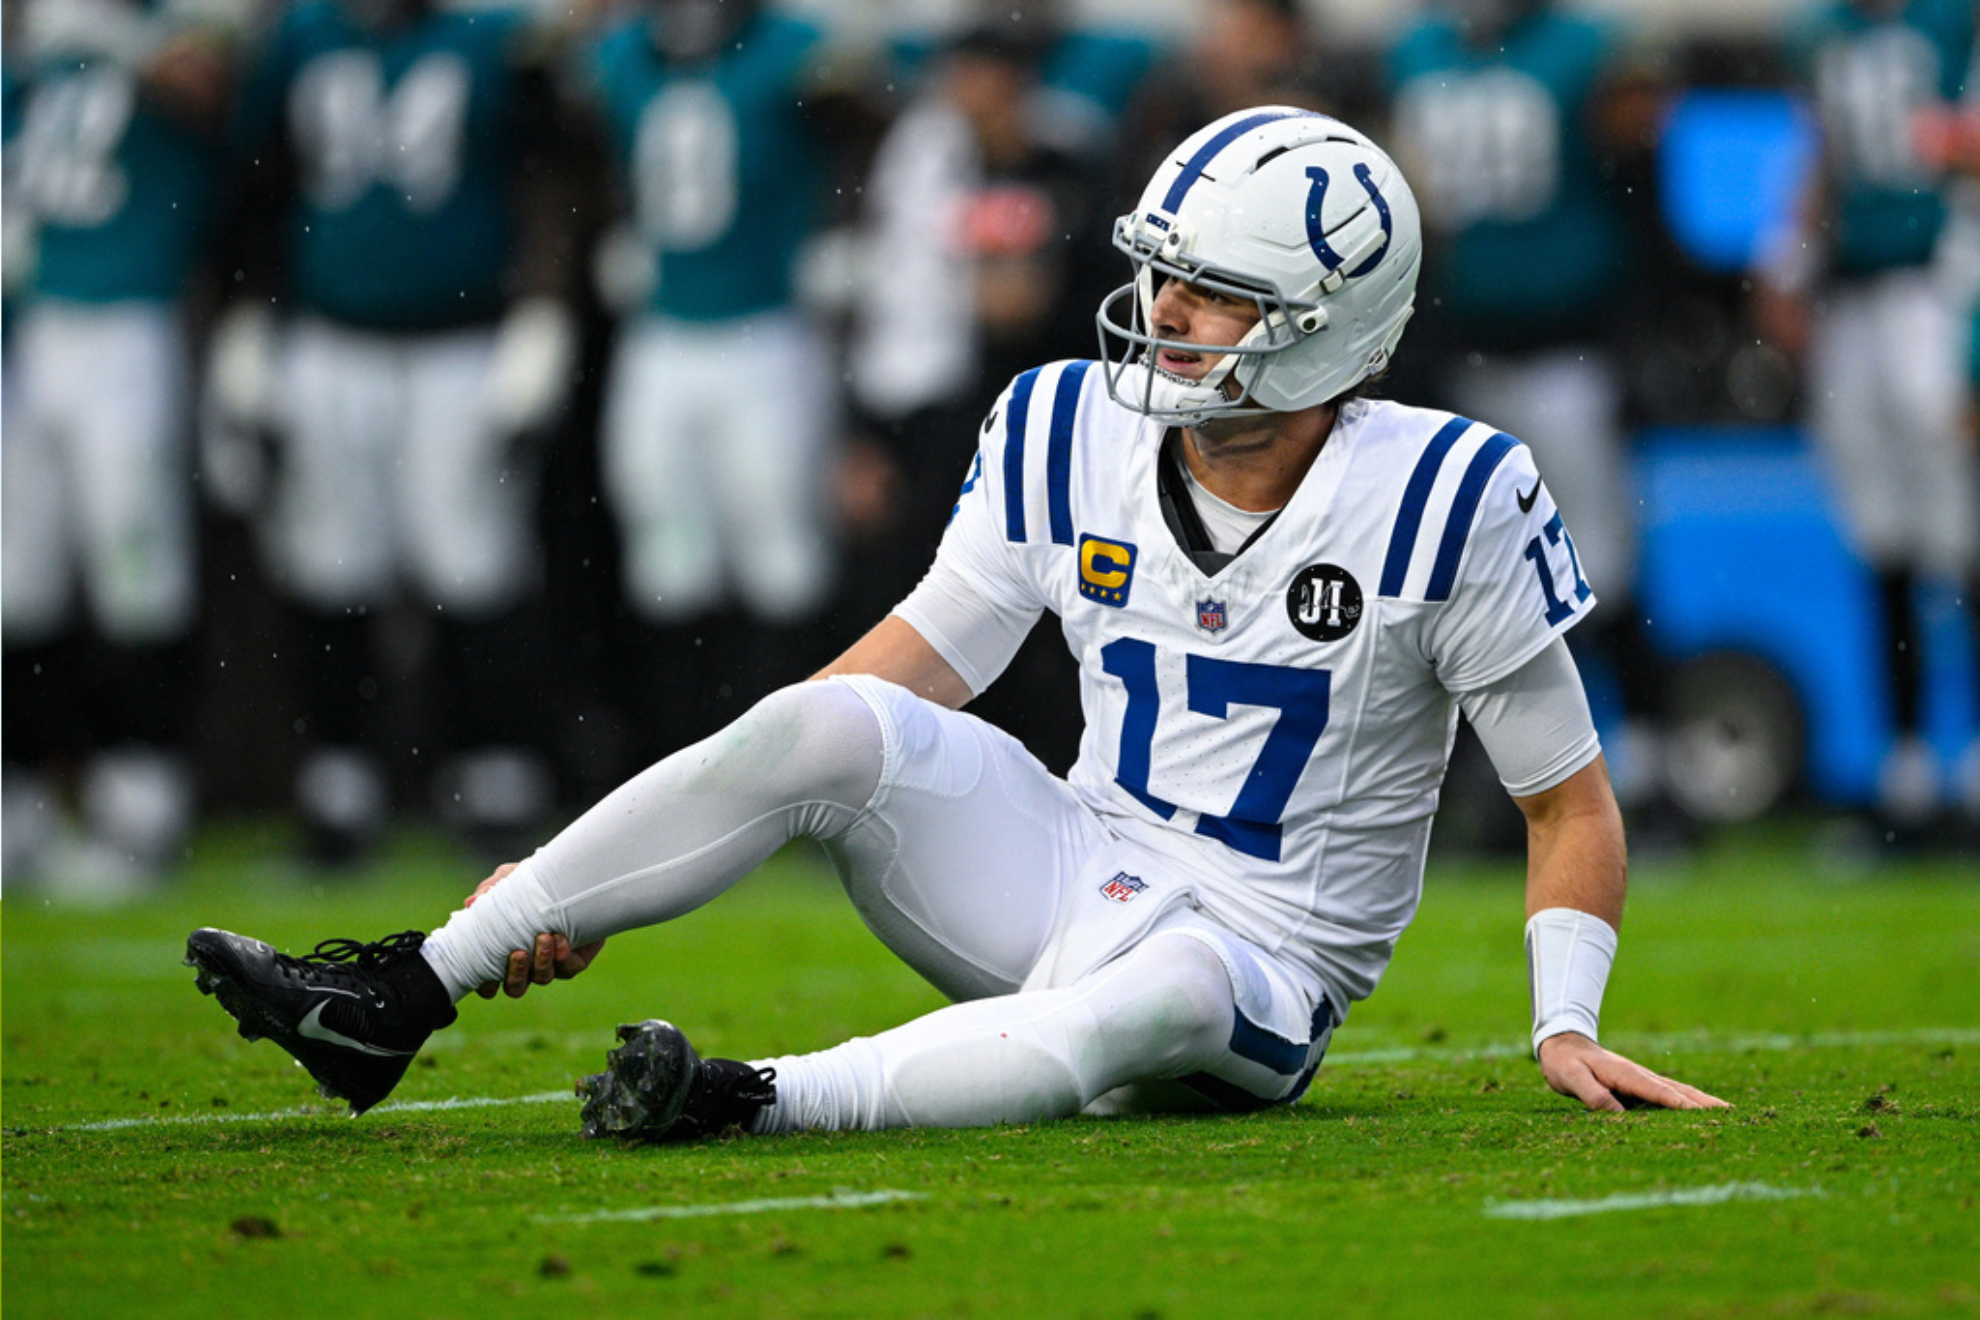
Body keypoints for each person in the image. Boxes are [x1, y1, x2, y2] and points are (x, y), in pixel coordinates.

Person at [185, 108, 1726, 1138]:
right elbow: (906, 674)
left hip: (1261, 964)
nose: (1161, 313)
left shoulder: (1450, 490)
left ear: (1329, 327)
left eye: (1208, 293)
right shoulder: (1064, 427)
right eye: (1158, 276)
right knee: (822, 718)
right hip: (1072, 853)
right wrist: (577, 887)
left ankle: (753, 1100)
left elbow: (1563, 798)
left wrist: (1562, 1023)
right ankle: (402, 990)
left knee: (1170, 996)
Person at [204, 0, 580, 863]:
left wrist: (543, 315)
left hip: (463, 338)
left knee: (473, 563)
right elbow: (258, 182)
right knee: (331, 563)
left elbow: (553, 177)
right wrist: (247, 320)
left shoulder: (496, 40)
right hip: (329, 335)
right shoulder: (300, 36)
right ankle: (341, 782)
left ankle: (494, 777)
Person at [1385, 0, 1678, 834]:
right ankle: (1486, 783)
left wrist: (1640, 335)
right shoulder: (1417, 52)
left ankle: (1648, 769)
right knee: (1469, 581)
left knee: (1601, 564)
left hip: (1569, 351)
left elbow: (1641, 189)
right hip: (1463, 355)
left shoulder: (1586, 50)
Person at [2, 0, 241, 897]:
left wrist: (123, 42)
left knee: (135, 572)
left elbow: (212, 88)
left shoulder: (167, 27)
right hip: (28, 329)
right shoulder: (32, 55)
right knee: (18, 584)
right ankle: (17, 806)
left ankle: (143, 801)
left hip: (128, 322)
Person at [1754, 0, 1976, 841]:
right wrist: (1788, 260)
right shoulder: (1824, 32)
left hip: (1942, 284)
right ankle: (1910, 766)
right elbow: (1819, 159)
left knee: (1959, 531)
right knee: (1883, 539)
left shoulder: (1953, 23)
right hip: (1857, 297)